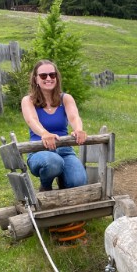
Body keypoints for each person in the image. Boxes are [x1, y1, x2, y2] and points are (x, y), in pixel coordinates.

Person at [21, 60, 88, 191]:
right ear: (36, 79)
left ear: (57, 77)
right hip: (39, 150)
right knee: (53, 162)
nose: (48, 78)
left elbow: (74, 117)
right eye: (43, 76)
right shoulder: (28, 100)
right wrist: (44, 134)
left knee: (78, 182)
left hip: (64, 150)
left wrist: (78, 129)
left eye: (52, 75)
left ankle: (63, 179)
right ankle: (45, 186)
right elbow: (32, 120)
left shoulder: (65, 98)